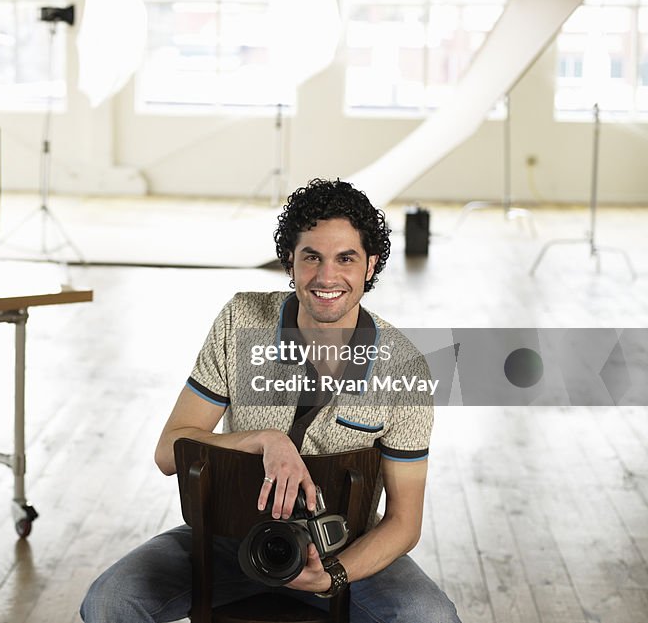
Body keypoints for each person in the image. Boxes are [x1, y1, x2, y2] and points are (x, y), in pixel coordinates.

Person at [81, 178, 461, 623]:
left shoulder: (405, 368)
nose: (326, 277)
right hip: (229, 540)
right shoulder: (241, 320)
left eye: (346, 259)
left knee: (433, 618)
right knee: (109, 603)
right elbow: (170, 452)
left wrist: (334, 575)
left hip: (342, 549)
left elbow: (404, 522)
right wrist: (262, 440)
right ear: (290, 262)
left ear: (370, 266)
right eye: (311, 258)